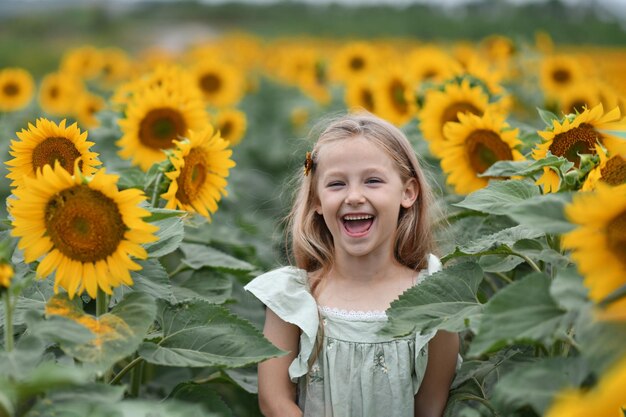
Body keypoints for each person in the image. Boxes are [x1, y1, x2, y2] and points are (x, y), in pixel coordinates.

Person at [245, 112, 459, 417]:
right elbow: (274, 400)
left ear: (408, 192)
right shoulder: (294, 298)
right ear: (317, 200)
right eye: (336, 184)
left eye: (372, 181)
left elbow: (430, 406)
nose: (354, 196)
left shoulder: (433, 298)